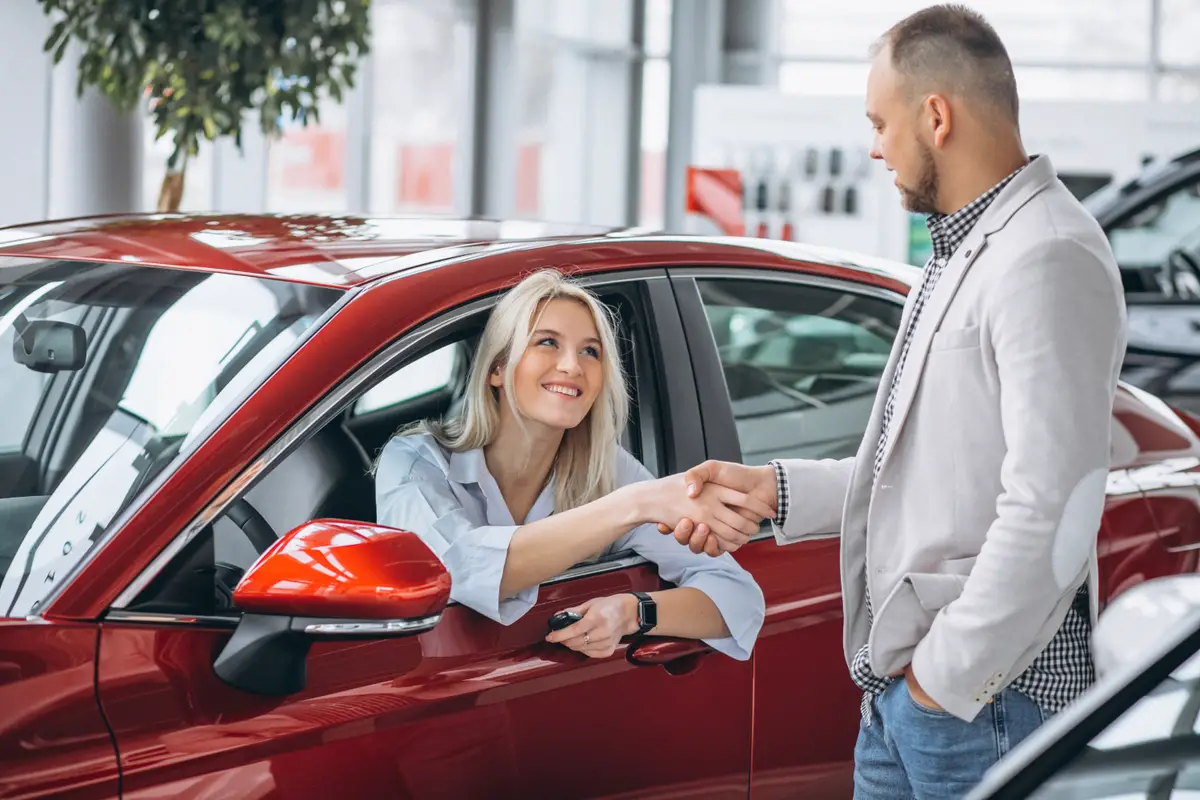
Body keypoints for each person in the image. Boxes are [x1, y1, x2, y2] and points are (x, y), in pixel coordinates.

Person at [664, 5, 1128, 797]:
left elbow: (1055, 505)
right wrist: (776, 491)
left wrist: (943, 681)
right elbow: (922, 471)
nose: (874, 145)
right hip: (912, 694)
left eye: (881, 122)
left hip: (983, 701)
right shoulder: (962, 248)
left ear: (936, 116)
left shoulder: (1046, 254)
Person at [375, 268, 768, 661]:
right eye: (547, 342)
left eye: (590, 351)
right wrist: (631, 507)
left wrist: (631, 612)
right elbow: (453, 571)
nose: (572, 366)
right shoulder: (414, 461)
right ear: (496, 368)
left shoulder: (608, 470)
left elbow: (739, 597)